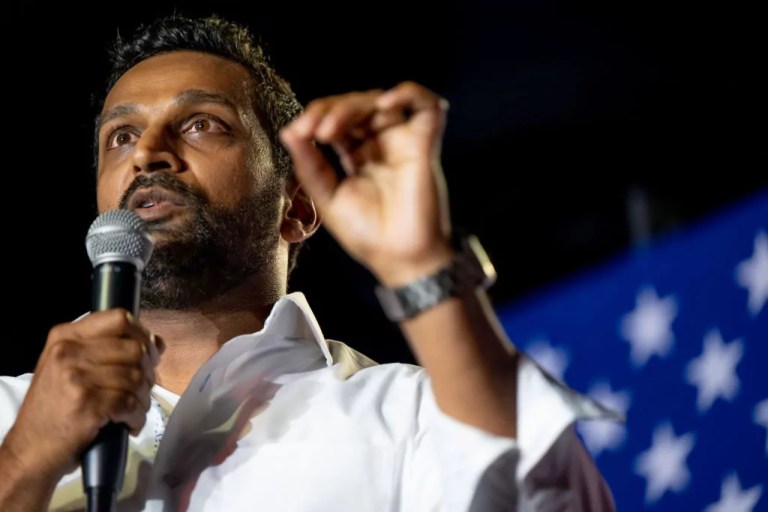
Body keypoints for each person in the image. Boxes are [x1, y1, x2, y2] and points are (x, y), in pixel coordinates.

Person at [0, 13, 619, 511]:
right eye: (122, 136)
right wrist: (27, 460)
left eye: (201, 125)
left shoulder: (401, 415)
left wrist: (421, 266)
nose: (148, 155)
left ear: (296, 206)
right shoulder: (10, 414)